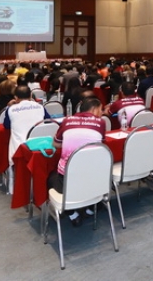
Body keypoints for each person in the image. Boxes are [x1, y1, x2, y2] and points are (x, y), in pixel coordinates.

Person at [47, 96, 105, 226]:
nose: (102, 113)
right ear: (94, 109)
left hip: (68, 176)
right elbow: (99, 144)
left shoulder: (67, 121)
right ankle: (90, 209)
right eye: (100, 110)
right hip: (92, 176)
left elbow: (56, 144)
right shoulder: (101, 123)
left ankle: (72, 214)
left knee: (51, 178)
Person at [2, 85, 50, 166]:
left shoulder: (11, 109)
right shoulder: (40, 107)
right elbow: (48, 121)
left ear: (16, 97)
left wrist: (8, 106)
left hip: (19, 148)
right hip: (39, 146)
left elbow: (6, 126)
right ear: (31, 95)